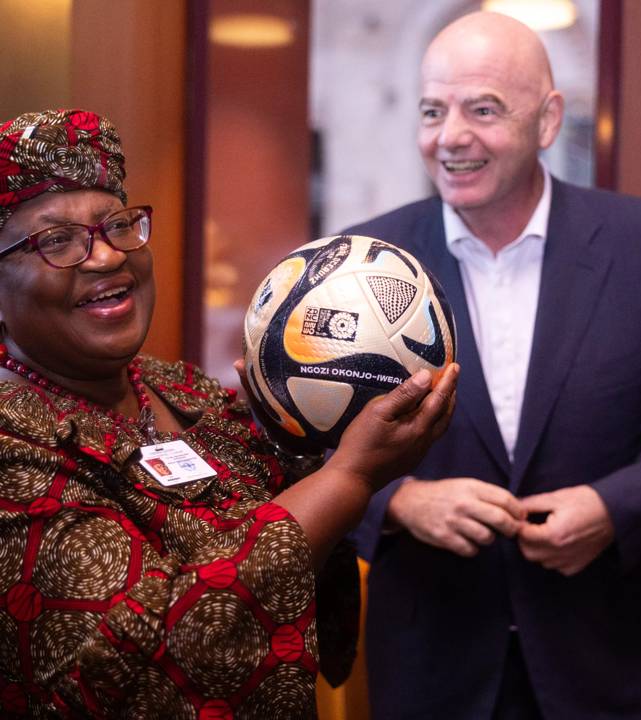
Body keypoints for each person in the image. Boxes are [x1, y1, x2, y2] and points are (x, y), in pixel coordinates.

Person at [0, 108, 457, 719]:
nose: (107, 258)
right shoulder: (12, 446)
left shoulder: (185, 392)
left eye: (118, 225)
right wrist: (349, 480)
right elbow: (140, 667)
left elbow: (309, 590)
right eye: (55, 241)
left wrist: (299, 443)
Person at [344, 11, 641, 720]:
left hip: (604, 659)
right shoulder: (365, 264)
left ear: (548, 120)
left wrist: (617, 507)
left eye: (482, 109)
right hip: (431, 663)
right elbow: (305, 442)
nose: (450, 136)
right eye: (432, 110)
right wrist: (398, 504)